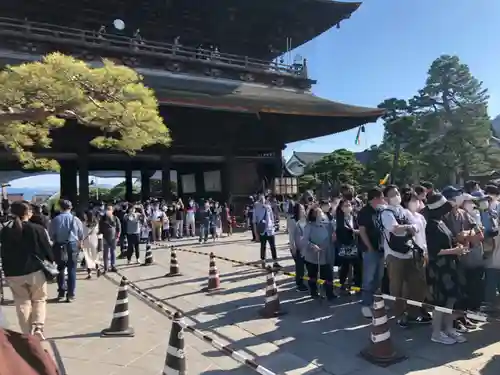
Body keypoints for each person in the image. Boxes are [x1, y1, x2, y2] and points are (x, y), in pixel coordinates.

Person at [1, 201, 54, 340]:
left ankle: (26, 332)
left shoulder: (5, 231)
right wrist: (52, 261)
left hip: (13, 273)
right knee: (39, 299)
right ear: (28, 212)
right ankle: (38, 326)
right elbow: (47, 249)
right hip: (35, 270)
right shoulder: (37, 229)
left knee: (21, 302)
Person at [380, 185, 428, 328]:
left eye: (397, 193)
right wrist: (408, 228)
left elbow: (416, 226)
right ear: (386, 198)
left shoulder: (404, 211)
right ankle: (400, 316)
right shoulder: (386, 213)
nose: (396, 196)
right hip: (394, 255)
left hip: (409, 253)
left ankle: (413, 313)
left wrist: (410, 227)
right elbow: (394, 229)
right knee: (397, 288)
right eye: (392, 194)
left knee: (416, 285)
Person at [425, 193, 468, 344]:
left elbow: (447, 243)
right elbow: (434, 251)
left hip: (450, 266)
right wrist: (454, 251)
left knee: (451, 298)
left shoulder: (441, 222)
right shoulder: (431, 225)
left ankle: (449, 328)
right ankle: (436, 332)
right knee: (440, 301)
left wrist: (457, 246)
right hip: (439, 268)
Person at [358, 187, 386, 318]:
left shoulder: (381, 211)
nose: (383, 200)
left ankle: (376, 302)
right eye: (381, 197)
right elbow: (362, 231)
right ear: (374, 199)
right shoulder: (364, 212)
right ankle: (366, 304)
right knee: (368, 279)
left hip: (381, 248)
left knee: (378, 278)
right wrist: (369, 246)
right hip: (370, 249)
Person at [49, 199, 84, 302]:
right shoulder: (76, 219)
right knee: (72, 270)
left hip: (59, 246)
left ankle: (61, 292)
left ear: (60, 207)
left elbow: (51, 235)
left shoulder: (55, 220)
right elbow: (81, 234)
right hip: (72, 245)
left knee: (60, 269)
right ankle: (71, 294)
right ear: (71, 207)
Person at [300, 206, 336, 300]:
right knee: (313, 275)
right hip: (312, 256)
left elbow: (333, 234)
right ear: (314, 215)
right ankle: (314, 292)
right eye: (319, 213)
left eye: (322, 213)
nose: (321, 215)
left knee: (328, 275)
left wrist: (334, 237)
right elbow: (304, 240)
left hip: (325, 254)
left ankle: (329, 293)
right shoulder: (309, 226)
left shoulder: (328, 225)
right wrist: (312, 246)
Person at [335, 199, 361, 294]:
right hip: (344, 245)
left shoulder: (354, 217)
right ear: (341, 208)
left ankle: (357, 286)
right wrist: (352, 231)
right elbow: (341, 231)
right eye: (345, 205)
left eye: (349, 205)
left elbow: (358, 228)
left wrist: (357, 232)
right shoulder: (339, 219)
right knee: (345, 266)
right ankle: (342, 285)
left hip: (355, 244)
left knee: (357, 266)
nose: (348, 207)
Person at [253, 193, 281, 269]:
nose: (262, 200)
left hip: (270, 230)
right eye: (260, 199)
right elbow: (254, 222)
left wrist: (274, 226)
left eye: (263, 199)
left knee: (273, 246)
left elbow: (272, 218)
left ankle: (275, 262)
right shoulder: (256, 209)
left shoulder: (268, 207)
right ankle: (263, 261)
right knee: (263, 246)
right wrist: (256, 234)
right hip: (262, 231)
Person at [99, 204, 121, 273]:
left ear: (112, 211)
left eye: (110, 209)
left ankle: (113, 266)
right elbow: (100, 227)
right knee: (105, 253)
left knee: (113, 252)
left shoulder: (115, 218)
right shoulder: (102, 219)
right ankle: (106, 268)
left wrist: (117, 236)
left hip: (113, 238)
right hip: (105, 238)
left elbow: (119, 228)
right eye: (107, 209)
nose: (108, 211)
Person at [290, 203, 308, 292]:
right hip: (297, 247)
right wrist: (292, 246)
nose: (303, 211)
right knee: (300, 267)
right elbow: (291, 235)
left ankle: (306, 281)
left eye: (303, 209)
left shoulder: (306, 220)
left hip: (306, 247)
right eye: (301, 209)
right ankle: (299, 284)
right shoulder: (293, 221)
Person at [81, 211, 100, 279]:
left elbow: (82, 233)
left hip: (86, 240)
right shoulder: (96, 223)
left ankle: (90, 273)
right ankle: (97, 268)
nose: (84, 216)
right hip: (94, 239)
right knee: (95, 255)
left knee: (88, 257)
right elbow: (97, 231)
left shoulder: (84, 224)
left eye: (85, 215)